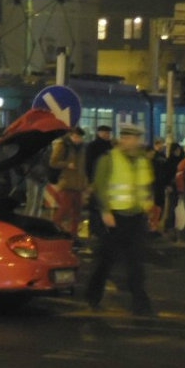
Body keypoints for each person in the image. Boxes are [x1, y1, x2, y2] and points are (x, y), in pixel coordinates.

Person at [85, 123, 155, 317]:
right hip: (115, 219)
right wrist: (105, 211)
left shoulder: (142, 160)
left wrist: (148, 208)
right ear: (121, 139)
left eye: (133, 138)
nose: (129, 141)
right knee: (106, 261)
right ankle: (93, 294)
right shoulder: (108, 159)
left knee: (136, 263)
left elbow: (145, 187)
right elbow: (100, 186)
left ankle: (141, 304)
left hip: (136, 218)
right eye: (126, 138)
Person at [49, 126, 88, 239]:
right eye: (75, 136)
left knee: (77, 212)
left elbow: (83, 166)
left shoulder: (82, 148)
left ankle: (73, 235)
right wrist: (67, 164)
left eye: (79, 137)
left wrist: (84, 183)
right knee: (64, 209)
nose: (77, 139)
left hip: (78, 184)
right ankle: (54, 231)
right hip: (67, 183)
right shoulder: (63, 145)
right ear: (71, 136)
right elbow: (53, 162)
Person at [84, 125, 113, 239]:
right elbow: (89, 164)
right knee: (96, 207)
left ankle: (100, 230)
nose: (107, 134)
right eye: (104, 132)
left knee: (100, 206)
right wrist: (91, 180)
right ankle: (95, 230)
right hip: (96, 180)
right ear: (99, 133)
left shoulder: (110, 146)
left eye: (108, 133)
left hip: (106, 181)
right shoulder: (93, 146)